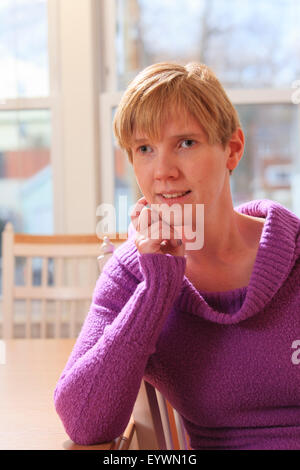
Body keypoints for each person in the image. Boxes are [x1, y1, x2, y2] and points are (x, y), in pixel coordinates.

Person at [54, 62, 300, 450]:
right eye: (144, 149)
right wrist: (157, 288)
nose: (163, 171)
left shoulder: (295, 253)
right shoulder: (130, 276)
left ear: (232, 149)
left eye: (186, 143)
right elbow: (85, 423)